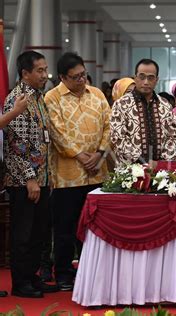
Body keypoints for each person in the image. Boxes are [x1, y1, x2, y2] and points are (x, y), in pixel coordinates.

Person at [45, 52, 111, 291]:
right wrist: (82, 156)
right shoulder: (52, 98)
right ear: (62, 77)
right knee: (65, 228)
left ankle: (91, 271)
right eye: (75, 77)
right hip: (67, 176)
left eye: (83, 75)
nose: (81, 80)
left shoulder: (97, 94)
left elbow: (108, 125)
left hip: (97, 172)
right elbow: (56, 133)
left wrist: (100, 153)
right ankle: (63, 275)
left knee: (94, 226)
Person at [4, 51, 59, 298]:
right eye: (39, 70)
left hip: (42, 177)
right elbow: (17, 145)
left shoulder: (39, 97)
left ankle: (32, 276)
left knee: (39, 232)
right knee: (23, 234)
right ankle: (20, 282)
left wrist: (47, 175)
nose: (44, 75)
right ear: (25, 73)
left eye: (45, 69)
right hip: (23, 181)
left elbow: (42, 138)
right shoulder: (16, 99)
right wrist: (30, 179)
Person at [110, 58, 176, 165]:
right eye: (142, 77)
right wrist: (144, 162)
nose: (146, 82)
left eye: (150, 78)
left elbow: (173, 136)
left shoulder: (165, 104)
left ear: (156, 80)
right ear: (135, 78)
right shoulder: (121, 104)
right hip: (129, 173)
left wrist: (161, 163)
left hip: (161, 172)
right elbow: (118, 138)